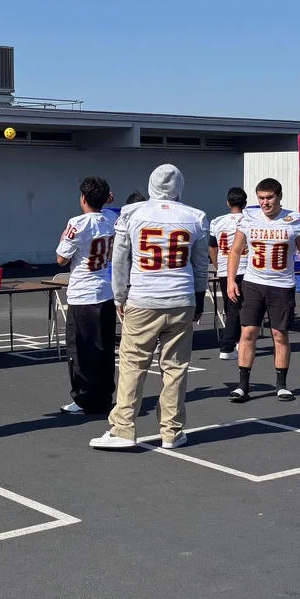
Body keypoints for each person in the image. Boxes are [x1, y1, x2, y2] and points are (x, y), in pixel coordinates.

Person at [90, 164, 208, 451]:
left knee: (132, 365)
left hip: (143, 298)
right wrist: (199, 298)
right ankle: (172, 431)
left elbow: (119, 261)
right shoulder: (195, 216)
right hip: (181, 297)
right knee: (175, 368)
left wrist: (119, 296)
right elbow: (201, 264)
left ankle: (122, 428)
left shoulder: (132, 213)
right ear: (180, 186)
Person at [225, 178, 300, 401]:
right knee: (248, 333)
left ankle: (281, 384)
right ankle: (242, 386)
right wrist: (231, 280)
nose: (265, 203)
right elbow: (235, 251)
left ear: (279, 197)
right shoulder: (248, 218)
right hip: (253, 282)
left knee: (279, 334)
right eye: (261, 198)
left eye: (269, 198)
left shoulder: (294, 220)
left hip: (281, 285)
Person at [55, 176, 117, 417]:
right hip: (106, 289)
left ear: (82, 198)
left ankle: (82, 398)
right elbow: (110, 212)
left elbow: (61, 258)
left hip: (83, 293)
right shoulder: (112, 218)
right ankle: (103, 395)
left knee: (80, 349)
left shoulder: (77, 223)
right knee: (104, 347)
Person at [209, 186, 249, 360]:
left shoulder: (217, 221)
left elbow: (212, 247)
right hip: (245, 267)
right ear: (245, 203)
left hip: (226, 267)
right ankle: (228, 344)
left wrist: (218, 265)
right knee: (240, 308)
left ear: (228, 202)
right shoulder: (249, 220)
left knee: (230, 306)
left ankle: (238, 340)